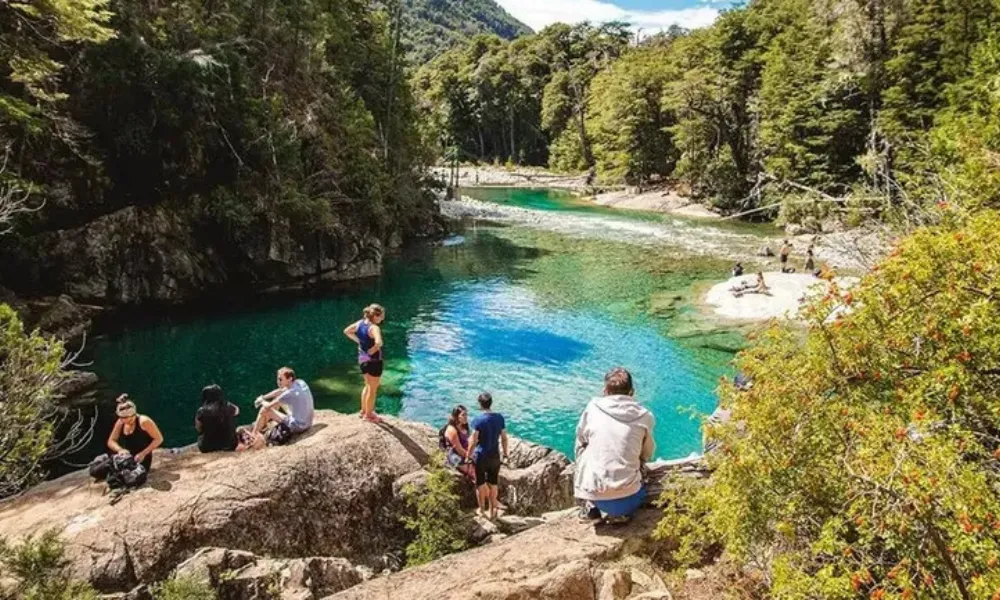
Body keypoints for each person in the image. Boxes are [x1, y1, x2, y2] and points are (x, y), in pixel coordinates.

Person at [574, 368, 655, 525]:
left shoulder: (593, 407)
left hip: (595, 496)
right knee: (640, 454)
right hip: (631, 498)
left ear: (604, 390)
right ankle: (621, 514)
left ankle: (589, 508)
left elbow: (581, 436)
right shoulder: (645, 416)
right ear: (632, 391)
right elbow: (647, 453)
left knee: (582, 445)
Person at [467, 392, 508, 520]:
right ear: (491, 403)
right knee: (493, 483)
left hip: (481, 456)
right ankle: (492, 511)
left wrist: (468, 455)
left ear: (480, 404)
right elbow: (504, 438)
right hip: (495, 455)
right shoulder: (499, 418)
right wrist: (506, 453)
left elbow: (473, 441)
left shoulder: (478, 420)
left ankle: (482, 510)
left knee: (480, 483)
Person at [344, 304, 386, 423]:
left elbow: (347, 331)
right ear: (376, 316)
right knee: (373, 389)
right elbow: (379, 342)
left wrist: (359, 341)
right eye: (381, 317)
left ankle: (363, 410)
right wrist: (373, 349)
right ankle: (369, 415)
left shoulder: (360, 323)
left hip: (362, 358)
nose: (382, 319)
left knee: (367, 385)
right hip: (374, 360)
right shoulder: (374, 328)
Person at [107, 395, 164, 473]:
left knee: (129, 478)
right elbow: (111, 441)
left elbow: (159, 439)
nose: (126, 421)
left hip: (141, 457)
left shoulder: (144, 421)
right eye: (123, 418)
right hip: (126, 456)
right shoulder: (120, 422)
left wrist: (143, 453)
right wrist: (120, 450)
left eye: (129, 418)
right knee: (99, 470)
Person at [252, 367, 315, 437]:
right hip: (308, 422)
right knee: (278, 400)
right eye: (278, 379)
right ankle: (264, 425)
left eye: (280, 379)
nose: (278, 381)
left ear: (290, 379)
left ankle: (253, 435)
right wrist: (263, 397)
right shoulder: (300, 382)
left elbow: (267, 406)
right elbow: (280, 391)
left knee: (265, 410)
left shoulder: (289, 393)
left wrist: (261, 401)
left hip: (298, 426)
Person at [195, 384, 239, 453]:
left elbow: (198, 428)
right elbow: (237, 411)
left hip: (207, 447)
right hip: (230, 445)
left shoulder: (201, 411)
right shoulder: (229, 406)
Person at [441, 405, 475, 482]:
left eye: (466, 414)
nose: (466, 417)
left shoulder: (464, 426)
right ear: (456, 416)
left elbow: (469, 441)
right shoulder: (452, 430)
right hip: (456, 456)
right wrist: (471, 457)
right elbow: (459, 450)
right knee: (475, 473)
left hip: (466, 452)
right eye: (463, 415)